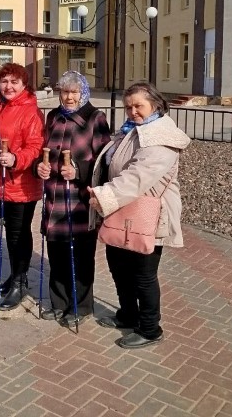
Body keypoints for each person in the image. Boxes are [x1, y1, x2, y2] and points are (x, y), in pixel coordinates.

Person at [88, 82, 191, 349]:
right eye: (128, 107)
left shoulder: (161, 138)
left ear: (155, 105)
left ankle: (150, 328)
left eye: (138, 106)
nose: (133, 111)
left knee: (143, 275)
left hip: (149, 214)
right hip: (122, 210)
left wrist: (104, 196)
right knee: (118, 266)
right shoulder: (131, 131)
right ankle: (127, 314)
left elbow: (137, 177)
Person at [35, 71, 110, 326]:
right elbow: (44, 151)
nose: (69, 97)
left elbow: (103, 162)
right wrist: (39, 166)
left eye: (74, 92)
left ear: (83, 93)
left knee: (80, 254)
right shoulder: (54, 116)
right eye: (65, 92)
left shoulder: (95, 118)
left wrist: (78, 170)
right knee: (56, 252)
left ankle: (82, 305)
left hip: (79, 199)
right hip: (54, 196)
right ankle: (59, 302)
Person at [0, 63, 44, 310]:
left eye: (14, 82)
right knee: (10, 230)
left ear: (24, 85)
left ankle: (20, 281)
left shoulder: (30, 111)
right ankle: (15, 275)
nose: (8, 86)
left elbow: (36, 146)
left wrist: (16, 158)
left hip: (21, 183)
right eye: (4, 81)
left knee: (18, 234)